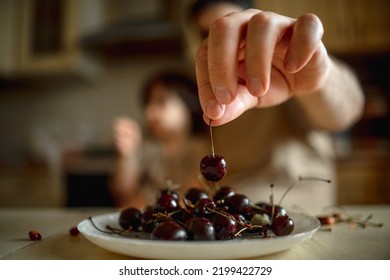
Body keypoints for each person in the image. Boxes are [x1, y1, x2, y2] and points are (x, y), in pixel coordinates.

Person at [181, 0, 365, 212]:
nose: (221, 41)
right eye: (208, 33)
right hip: (230, 212)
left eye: (232, 27)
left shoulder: (285, 62)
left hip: (297, 206)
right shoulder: (201, 89)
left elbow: (346, 112)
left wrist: (319, 79)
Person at [110, 69, 208, 208]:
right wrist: (127, 154)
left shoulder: (200, 148)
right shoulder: (147, 147)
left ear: (189, 106)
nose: (149, 112)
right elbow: (122, 189)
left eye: (161, 101)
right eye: (148, 104)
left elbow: (195, 191)